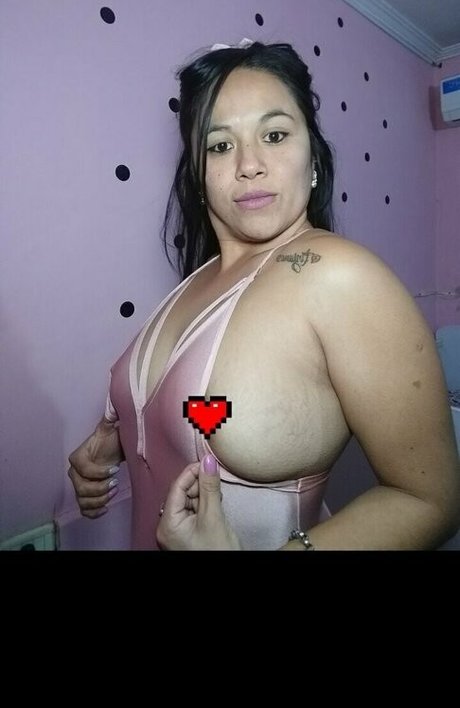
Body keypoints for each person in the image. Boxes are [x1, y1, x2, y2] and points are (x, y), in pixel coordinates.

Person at [68, 39, 460, 550]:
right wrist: (113, 443)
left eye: (274, 135)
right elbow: (190, 416)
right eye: (220, 145)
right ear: (198, 173)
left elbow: (429, 500)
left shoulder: (338, 277)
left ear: (313, 156)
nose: (249, 164)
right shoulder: (196, 281)